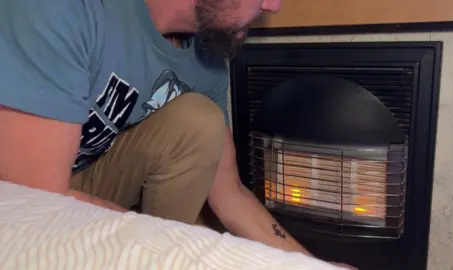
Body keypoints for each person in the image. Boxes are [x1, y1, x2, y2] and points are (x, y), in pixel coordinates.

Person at [0, 0, 355, 268]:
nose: (273, 5)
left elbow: (229, 193)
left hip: (83, 186)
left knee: (199, 120)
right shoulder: (64, 9)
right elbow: (34, 202)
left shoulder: (206, 59)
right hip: (27, 195)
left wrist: (310, 265)